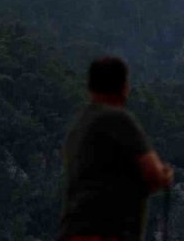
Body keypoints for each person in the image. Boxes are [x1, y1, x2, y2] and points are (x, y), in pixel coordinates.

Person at [60, 56, 174, 241]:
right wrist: (165, 176)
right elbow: (153, 174)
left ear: (90, 87)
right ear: (124, 88)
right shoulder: (118, 119)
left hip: (73, 231)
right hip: (110, 231)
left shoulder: (77, 128)